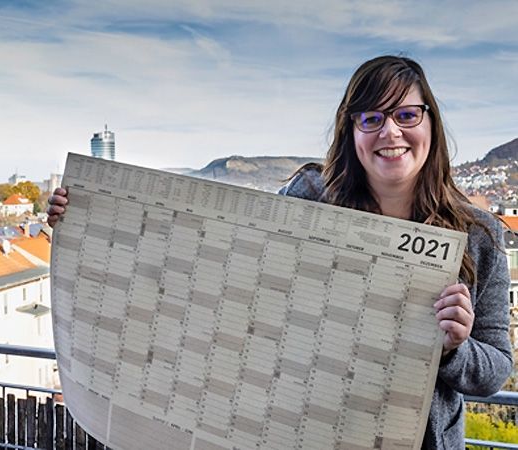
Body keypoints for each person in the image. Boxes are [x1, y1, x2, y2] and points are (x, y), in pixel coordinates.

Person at [48, 55, 512, 449]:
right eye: (372, 118)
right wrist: (87, 214)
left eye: (407, 115)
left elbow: (495, 369)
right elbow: (211, 250)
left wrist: (454, 348)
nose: (390, 131)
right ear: (352, 132)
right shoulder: (310, 197)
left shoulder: (481, 236)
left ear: (430, 120)